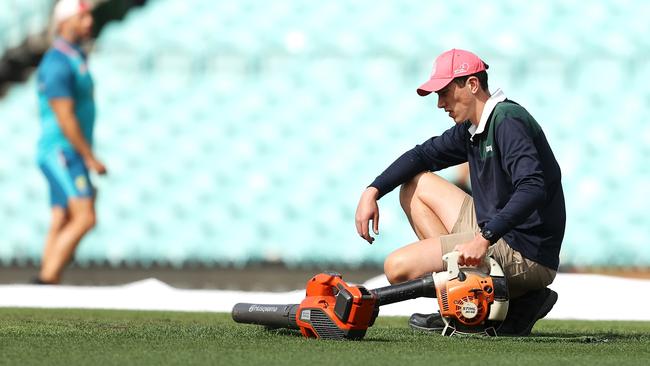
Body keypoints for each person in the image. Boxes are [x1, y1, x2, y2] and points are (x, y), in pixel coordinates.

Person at [354, 49, 565, 336]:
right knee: (415, 185)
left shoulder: (508, 120)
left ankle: (478, 301)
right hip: (499, 232)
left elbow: (533, 187)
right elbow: (421, 155)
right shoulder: (473, 128)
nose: (440, 103)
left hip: (526, 252)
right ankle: (471, 295)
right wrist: (373, 191)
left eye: (444, 92)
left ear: (472, 85)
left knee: (397, 268)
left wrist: (485, 237)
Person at [33, 0, 106, 284]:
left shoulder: (73, 56)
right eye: (83, 16)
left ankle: (45, 280)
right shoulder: (58, 62)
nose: (89, 22)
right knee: (86, 216)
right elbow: (65, 117)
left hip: (64, 150)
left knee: (61, 217)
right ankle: (47, 279)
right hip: (63, 151)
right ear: (66, 21)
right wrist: (89, 157)